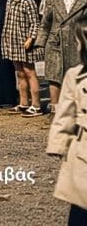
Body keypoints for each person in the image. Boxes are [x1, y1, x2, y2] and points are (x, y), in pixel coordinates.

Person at [46, 20, 87, 226]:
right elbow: (65, 114)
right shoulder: (76, 76)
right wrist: (58, 144)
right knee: (80, 207)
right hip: (83, 152)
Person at [36, 0, 87, 110]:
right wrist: (40, 43)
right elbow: (45, 23)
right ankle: (55, 107)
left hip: (79, 43)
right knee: (54, 77)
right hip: (56, 44)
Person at [1, 0, 45, 116]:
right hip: (13, 43)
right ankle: (23, 102)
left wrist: (30, 39)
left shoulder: (29, 3)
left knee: (29, 72)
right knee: (19, 73)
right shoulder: (10, 3)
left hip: (25, 43)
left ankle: (36, 105)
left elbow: (35, 23)